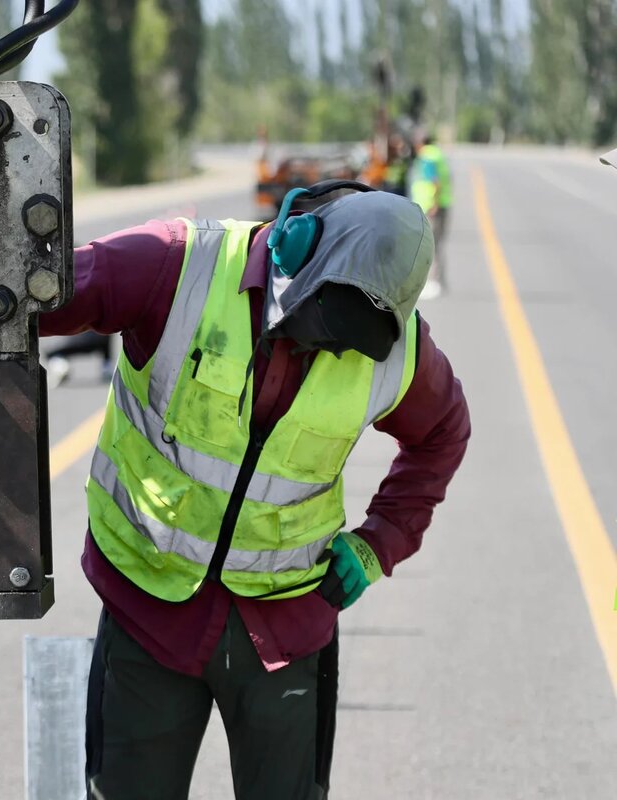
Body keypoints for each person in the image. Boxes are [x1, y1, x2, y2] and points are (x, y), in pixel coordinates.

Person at [40, 183, 470, 800]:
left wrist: (380, 542)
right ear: (297, 246)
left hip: (285, 627)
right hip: (148, 609)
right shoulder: (175, 266)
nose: (331, 348)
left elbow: (443, 432)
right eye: (325, 324)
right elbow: (24, 299)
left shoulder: (396, 350)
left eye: (350, 340)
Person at [409, 133, 453, 298]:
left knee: (431, 245)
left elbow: (434, 181)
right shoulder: (437, 154)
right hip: (440, 204)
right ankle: (439, 281)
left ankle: (434, 283)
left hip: (432, 206)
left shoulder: (427, 156)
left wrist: (434, 202)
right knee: (437, 243)